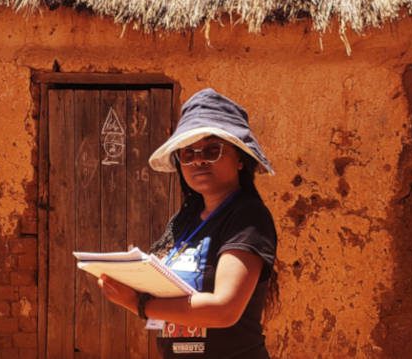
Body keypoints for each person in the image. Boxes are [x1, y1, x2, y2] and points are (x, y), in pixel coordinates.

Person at [98, 88, 278, 358]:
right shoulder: (184, 222)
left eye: (212, 150)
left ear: (240, 159)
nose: (199, 160)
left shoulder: (247, 218)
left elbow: (223, 309)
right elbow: (165, 304)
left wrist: (138, 304)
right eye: (188, 153)